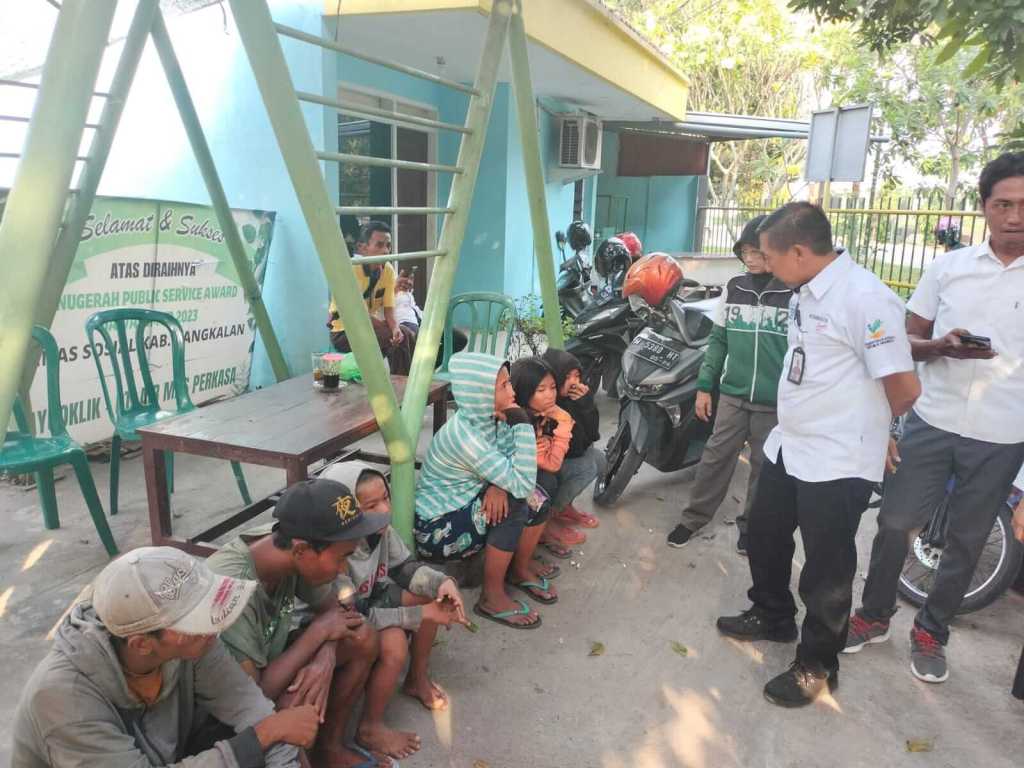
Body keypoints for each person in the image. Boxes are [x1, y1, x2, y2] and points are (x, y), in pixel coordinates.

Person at [716, 202, 920, 708]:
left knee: (826, 569)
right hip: (793, 443)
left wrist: (881, 432)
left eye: (768, 255)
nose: (761, 263)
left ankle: (817, 665)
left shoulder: (866, 299)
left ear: (800, 252)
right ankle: (772, 615)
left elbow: (904, 386)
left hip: (838, 457)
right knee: (763, 533)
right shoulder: (804, 289)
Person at [843, 153, 1024, 685]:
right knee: (895, 523)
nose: (1014, 216)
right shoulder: (949, 268)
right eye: (1003, 204)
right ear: (984, 207)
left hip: (1003, 434)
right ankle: (874, 615)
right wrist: (940, 347)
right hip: (933, 420)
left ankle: (931, 631)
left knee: (967, 540)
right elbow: (904, 342)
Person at [12, 546, 315, 768]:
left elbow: (253, 709)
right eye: (195, 623)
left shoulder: (194, 644)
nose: (214, 627)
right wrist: (259, 738)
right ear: (142, 644)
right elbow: (267, 729)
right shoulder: (62, 698)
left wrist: (274, 745)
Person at [206, 478, 393, 768]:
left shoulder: (289, 547)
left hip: (270, 666)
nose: (345, 569)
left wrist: (326, 656)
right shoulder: (232, 591)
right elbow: (254, 695)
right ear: (302, 551)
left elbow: (338, 611)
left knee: (362, 635)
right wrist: (317, 634)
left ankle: (329, 749)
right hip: (227, 713)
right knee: (294, 701)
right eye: (342, 558)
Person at [667, 215, 791, 554]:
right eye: (745, 252)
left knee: (764, 469)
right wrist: (705, 386)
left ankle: (751, 528)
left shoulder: (792, 292)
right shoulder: (734, 288)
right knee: (715, 458)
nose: (750, 259)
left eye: (757, 252)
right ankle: (693, 519)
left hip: (774, 402)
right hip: (733, 396)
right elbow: (718, 341)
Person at [322, 461, 465, 740]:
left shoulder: (380, 532)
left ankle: (417, 679)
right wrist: (419, 615)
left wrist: (442, 582)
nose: (385, 511)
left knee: (431, 593)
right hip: (346, 621)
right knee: (396, 645)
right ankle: (370, 726)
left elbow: (404, 568)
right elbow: (355, 616)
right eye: (371, 506)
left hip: (372, 599)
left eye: (385, 498)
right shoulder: (337, 554)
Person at [414, 351, 548, 629]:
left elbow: (514, 458)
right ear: (479, 394)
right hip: (437, 527)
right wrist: (522, 421)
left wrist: (497, 483)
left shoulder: (491, 418)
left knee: (538, 498)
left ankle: (518, 570)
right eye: (503, 386)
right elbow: (521, 483)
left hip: (467, 501)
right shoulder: (465, 435)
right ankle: (491, 596)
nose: (512, 392)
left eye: (509, 383)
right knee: (519, 502)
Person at [328, 221, 412, 375]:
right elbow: (359, 314)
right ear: (362, 247)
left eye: (388, 245)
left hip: (368, 328)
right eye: (379, 245)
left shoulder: (387, 270)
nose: (386, 251)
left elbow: (389, 307)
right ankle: (402, 385)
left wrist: (394, 328)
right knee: (399, 337)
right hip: (344, 331)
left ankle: (407, 381)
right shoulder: (351, 270)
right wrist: (390, 330)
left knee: (405, 333)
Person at [542, 347, 604, 534]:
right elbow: (575, 447)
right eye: (567, 377)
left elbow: (592, 436)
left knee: (600, 459)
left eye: (577, 376)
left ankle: (564, 506)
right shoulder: (547, 401)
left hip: (564, 455)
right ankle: (547, 518)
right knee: (587, 467)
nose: (574, 382)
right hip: (545, 463)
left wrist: (587, 405)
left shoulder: (571, 399)